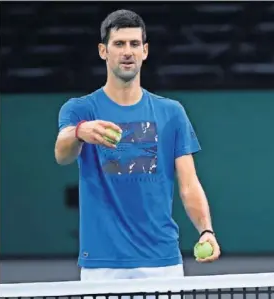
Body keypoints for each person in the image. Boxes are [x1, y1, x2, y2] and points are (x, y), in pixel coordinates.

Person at [55, 9, 220, 281]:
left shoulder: (172, 113)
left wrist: (206, 230)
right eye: (119, 44)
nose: (127, 52)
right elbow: (62, 152)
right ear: (103, 51)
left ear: (145, 51)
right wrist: (80, 132)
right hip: (102, 265)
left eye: (134, 44)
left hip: (162, 263)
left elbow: (189, 184)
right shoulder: (79, 110)